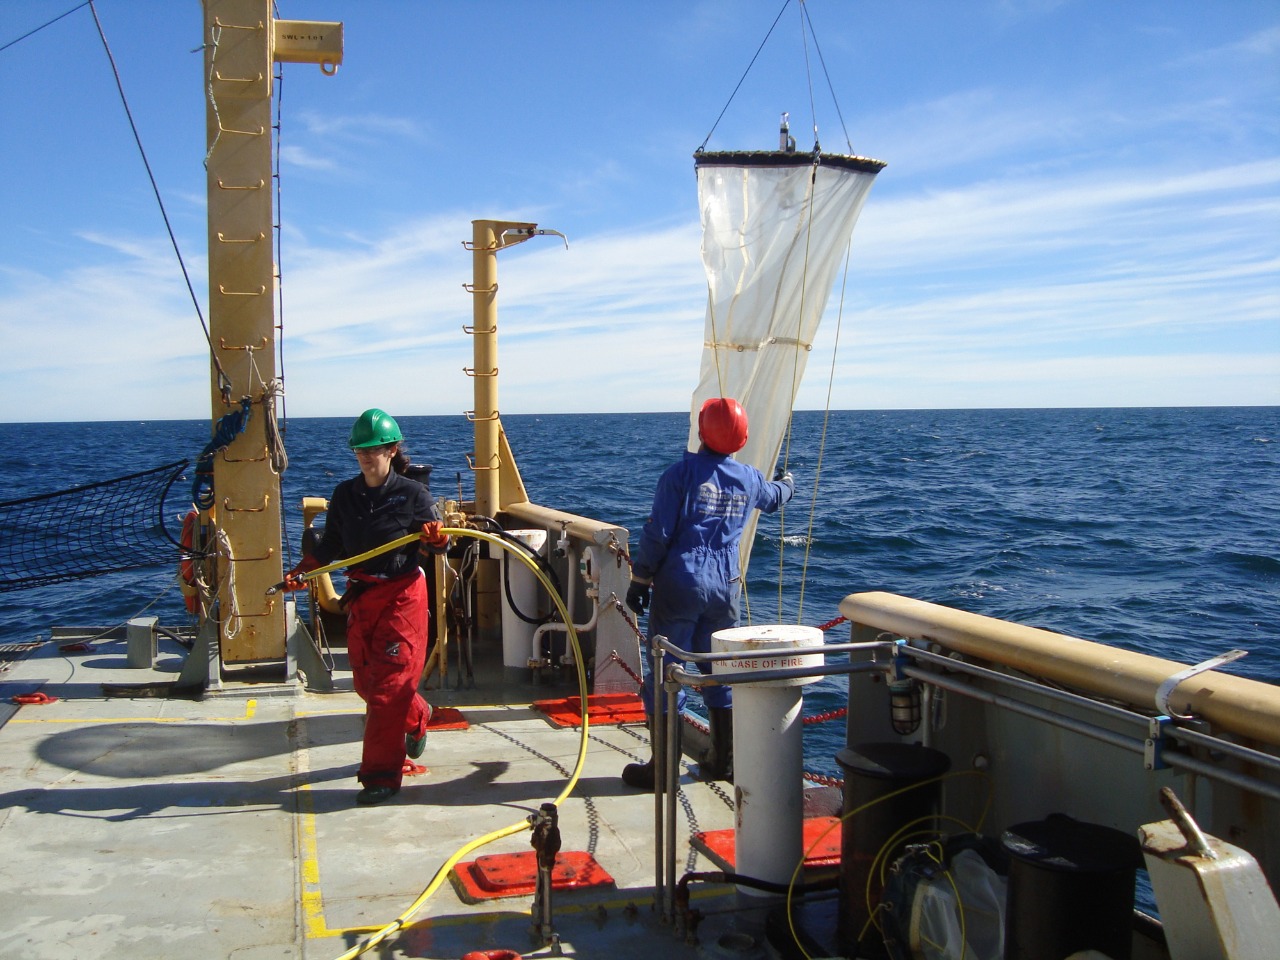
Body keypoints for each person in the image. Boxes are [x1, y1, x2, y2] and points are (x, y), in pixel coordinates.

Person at [622, 397, 795, 790]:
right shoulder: (750, 478)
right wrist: (788, 483)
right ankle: (723, 761)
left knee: (669, 670)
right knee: (719, 670)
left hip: (682, 582)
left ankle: (661, 769)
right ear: (744, 437)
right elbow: (774, 498)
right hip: (725, 585)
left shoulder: (679, 475)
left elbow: (658, 534)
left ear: (701, 431)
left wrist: (640, 580)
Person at [284, 408, 450, 806]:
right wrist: (305, 569)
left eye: (373, 448)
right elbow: (331, 548)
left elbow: (435, 544)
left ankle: (380, 775)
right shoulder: (345, 495)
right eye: (359, 448)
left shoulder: (414, 495)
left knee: (389, 688)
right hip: (363, 596)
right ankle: (418, 716)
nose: (365, 455)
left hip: (402, 596)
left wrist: (438, 540)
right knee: (365, 683)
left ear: (392, 450)